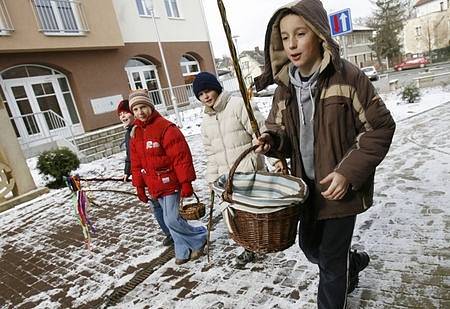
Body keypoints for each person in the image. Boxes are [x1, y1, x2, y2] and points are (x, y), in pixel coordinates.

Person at [253, 0, 396, 307]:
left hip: (340, 192)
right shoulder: (285, 88)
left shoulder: (349, 78)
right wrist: (271, 140)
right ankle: (351, 262)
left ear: (318, 35)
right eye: (285, 37)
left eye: (300, 34)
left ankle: (338, 279)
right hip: (306, 190)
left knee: (330, 266)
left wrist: (348, 172)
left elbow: (380, 127)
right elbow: (279, 129)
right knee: (310, 249)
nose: (292, 44)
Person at [193, 71, 283, 267]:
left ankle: (264, 240)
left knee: (254, 213)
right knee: (235, 216)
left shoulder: (238, 105)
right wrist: (212, 179)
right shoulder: (206, 122)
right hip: (227, 177)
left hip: (249, 170)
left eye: (207, 91)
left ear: (216, 88)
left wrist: (268, 156)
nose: (205, 97)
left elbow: (259, 132)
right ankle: (247, 247)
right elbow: (211, 153)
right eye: (200, 95)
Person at [128, 89, 207, 265]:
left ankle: (199, 237)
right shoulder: (136, 133)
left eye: (143, 107)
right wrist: (139, 186)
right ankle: (183, 248)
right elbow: (136, 163)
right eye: (136, 109)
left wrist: (186, 182)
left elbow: (181, 157)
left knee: (171, 219)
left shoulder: (165, 128)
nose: (140, 112)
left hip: (170, 181)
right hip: (153, 184)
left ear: (151, 106)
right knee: (168, 219)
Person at [117, 99, 173, 247]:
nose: (123, 116)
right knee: (157, 205)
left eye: (126, 113)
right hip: (146, 175)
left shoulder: (139, 130)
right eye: (120, 114)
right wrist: (128, 172)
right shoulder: (130, 132)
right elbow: (132, 157)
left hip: (158, 175)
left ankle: (176, 232)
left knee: (165, 207)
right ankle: (170, 232)